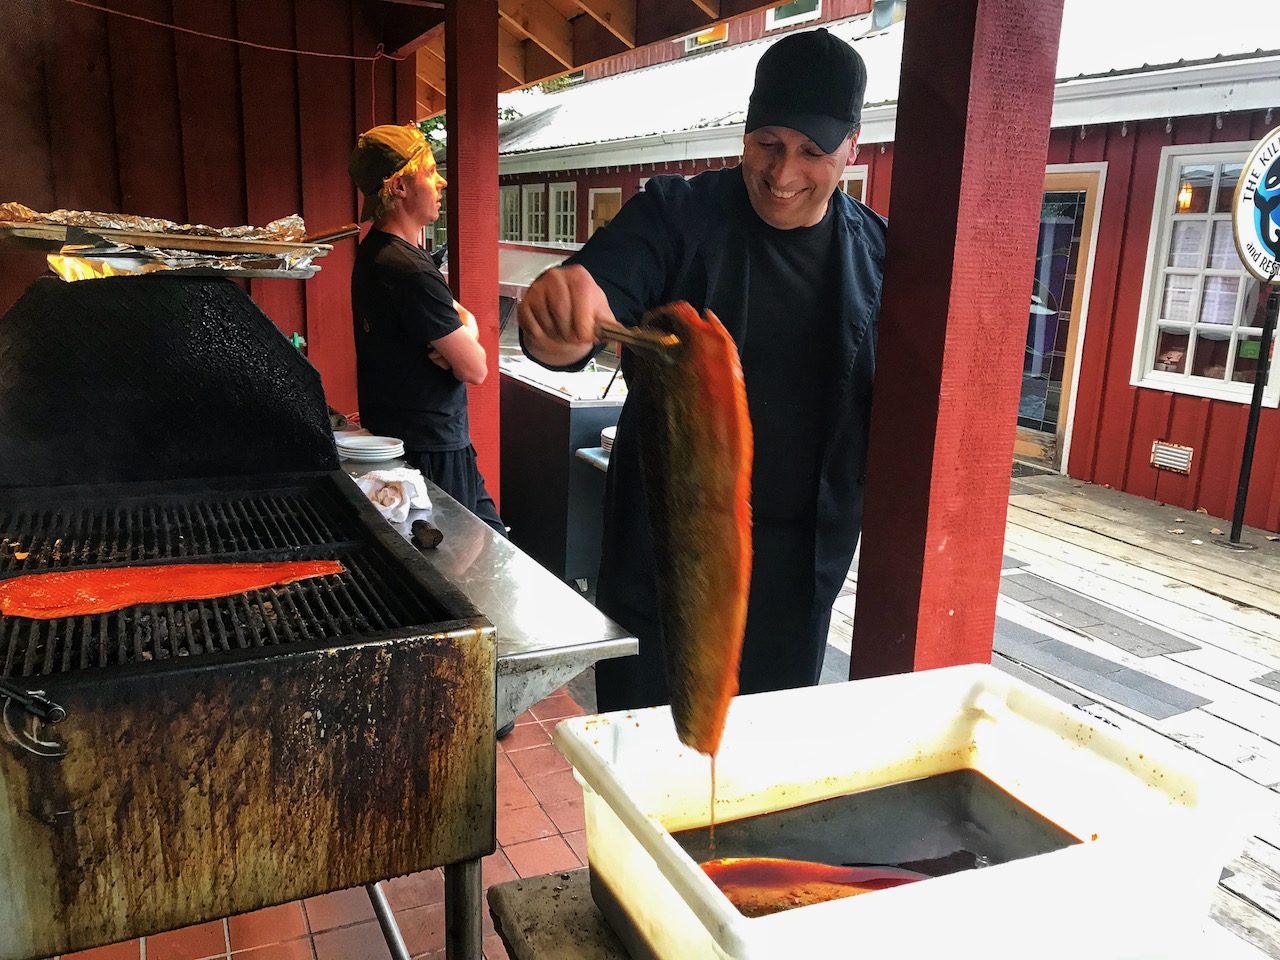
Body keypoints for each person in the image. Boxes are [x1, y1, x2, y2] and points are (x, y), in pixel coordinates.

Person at [517, 29, 885, 712]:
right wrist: (563, 322)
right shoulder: (675, 215)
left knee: (764, 777)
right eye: (767, 144)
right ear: (745, 132)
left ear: (850, 149)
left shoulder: (881, 258)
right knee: (647, 759)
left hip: (795, 573)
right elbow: (589, 303)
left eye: (812, 152)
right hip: (665, 551)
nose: (782, 175)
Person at [348, 124, 505, 537]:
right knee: (458, 572)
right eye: (430, 171)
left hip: (408, 439)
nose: (442, 181)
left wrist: (463, 327)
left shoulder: (376, 255)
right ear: (399, 186)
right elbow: (475, 368)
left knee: (493, 542)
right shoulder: (409, 271)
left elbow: (459, 322)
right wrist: (463, 340)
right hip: (431, 449)